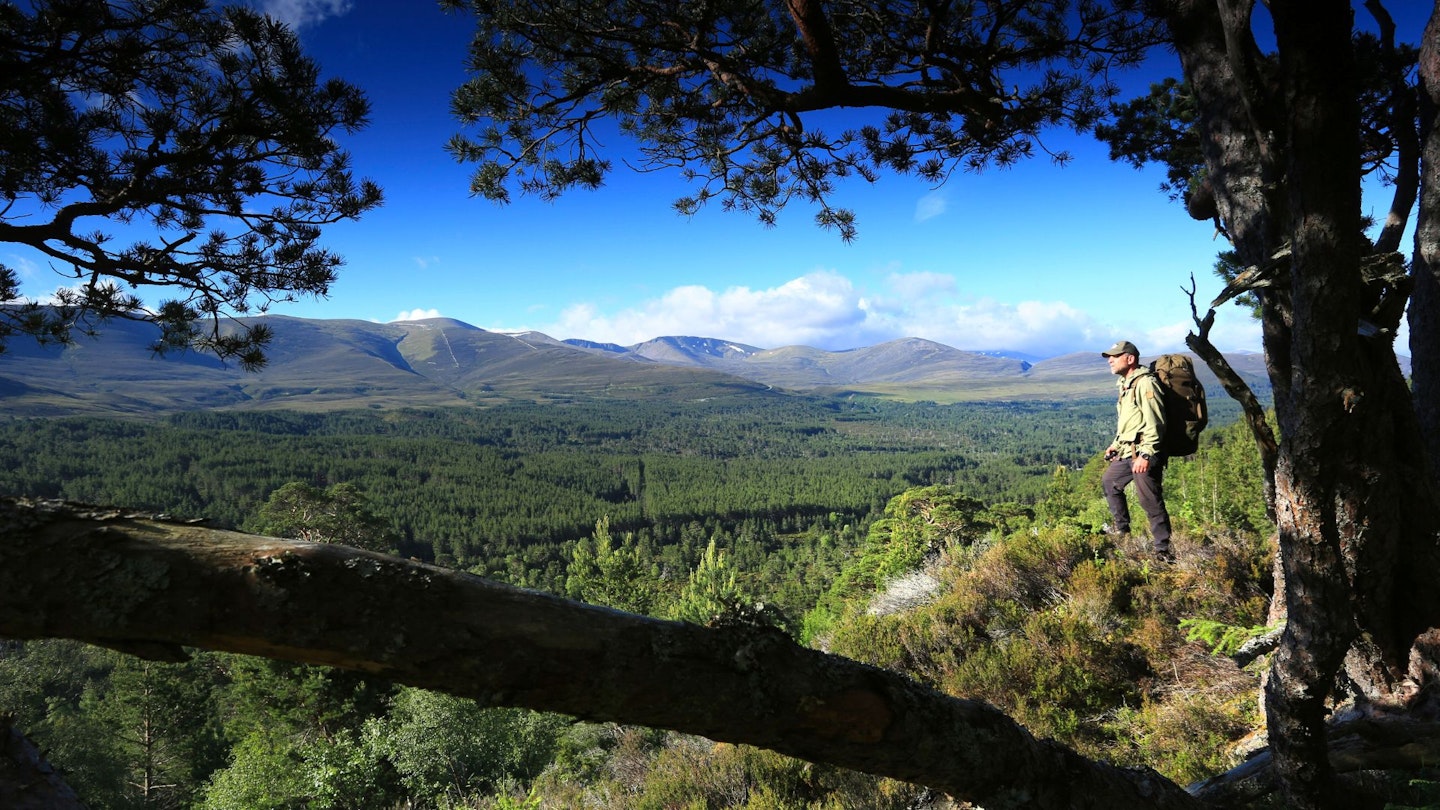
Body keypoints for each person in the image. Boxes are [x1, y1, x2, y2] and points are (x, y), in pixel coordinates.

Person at [1099, 340, 1174, 562]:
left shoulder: (1145, 383)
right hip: (1128, 451)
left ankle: (1164, 552)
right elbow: (1130, 423)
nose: (1110, 360)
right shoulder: (1126, 384)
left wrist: (1146, 454)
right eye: (1109, 357)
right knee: (1110, 482)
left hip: (1144, 452)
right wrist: (1116, 444)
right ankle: (1122, 534)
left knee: (1150, 501)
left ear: (1130, 359)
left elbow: (1155, 422)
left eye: (1115, 356)